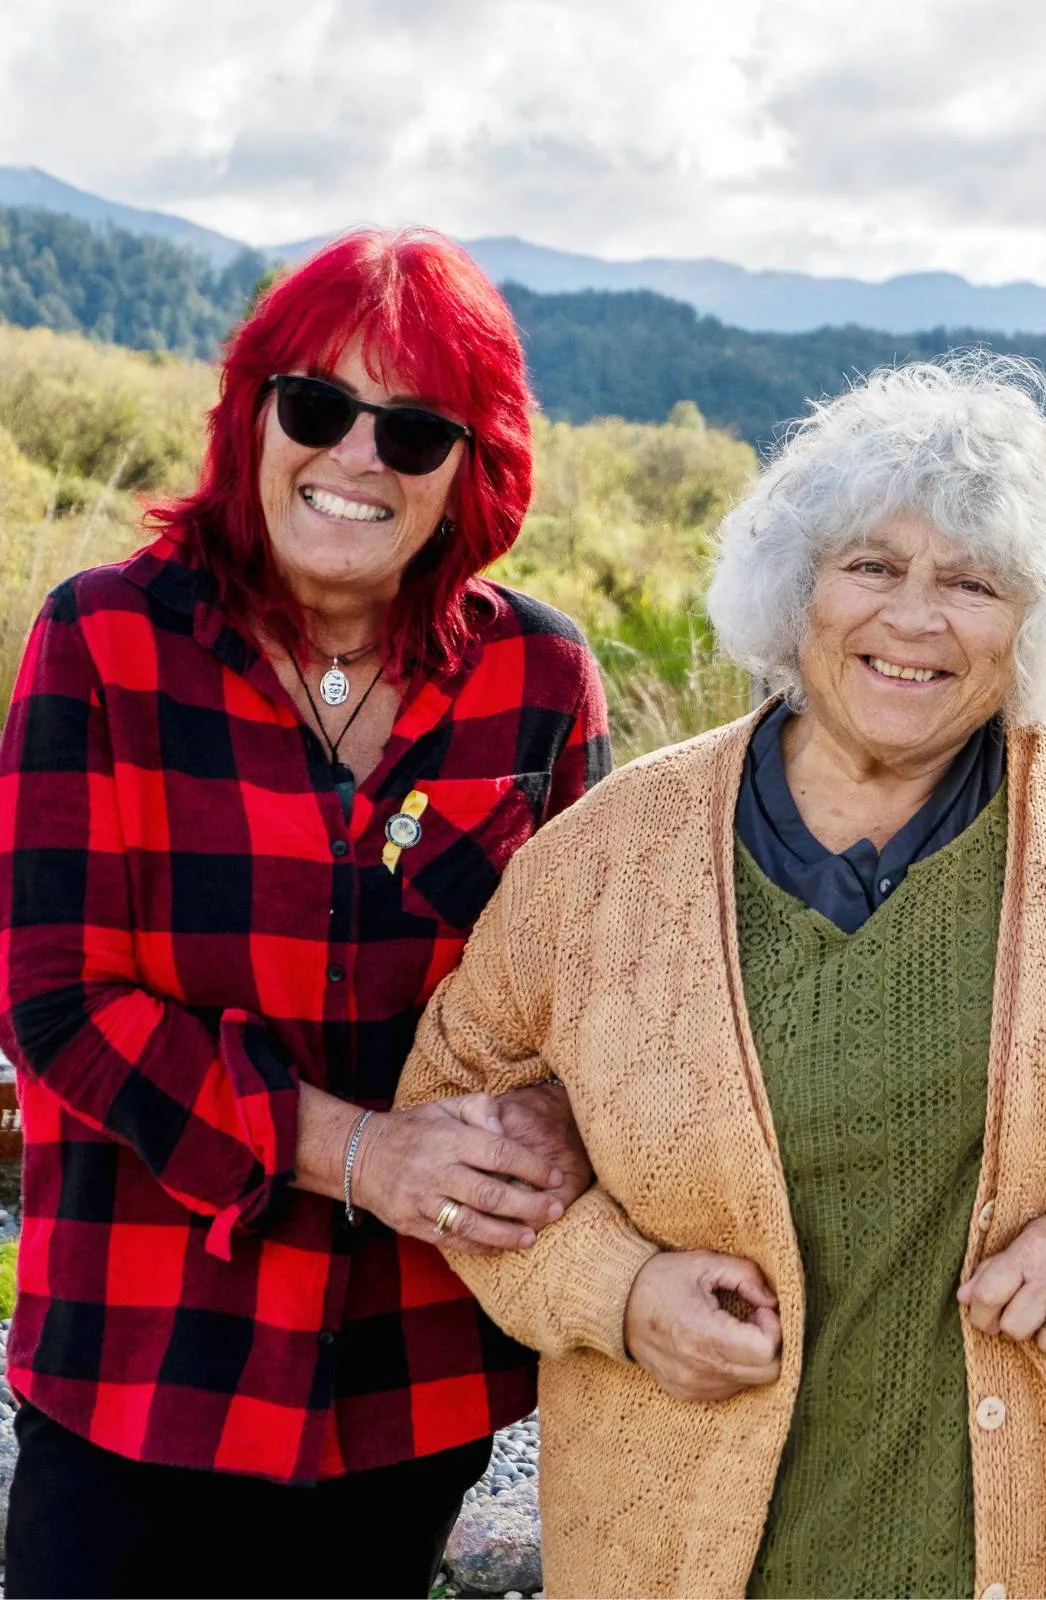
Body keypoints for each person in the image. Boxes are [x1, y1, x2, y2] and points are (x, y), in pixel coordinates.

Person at [391, 353, 1046, 1598]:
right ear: (798, 592)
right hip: (674, 1548)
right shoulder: (609, 856)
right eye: (872, 566)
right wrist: (614, 1291)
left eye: (972, 581)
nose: (915, 617)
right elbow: (446, 1115)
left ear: (1031, 622)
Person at [0, 229, 609, 1598]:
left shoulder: (540, 675)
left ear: (471, 468)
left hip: (416, 1372)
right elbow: (55, 1000)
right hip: (143, 1361)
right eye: (319, 408)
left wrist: (558, 1126)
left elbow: (592, 993)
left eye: (411, 430)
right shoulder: (101, 640)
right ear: (252, 417)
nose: (356, 459)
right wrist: (359, 1155)